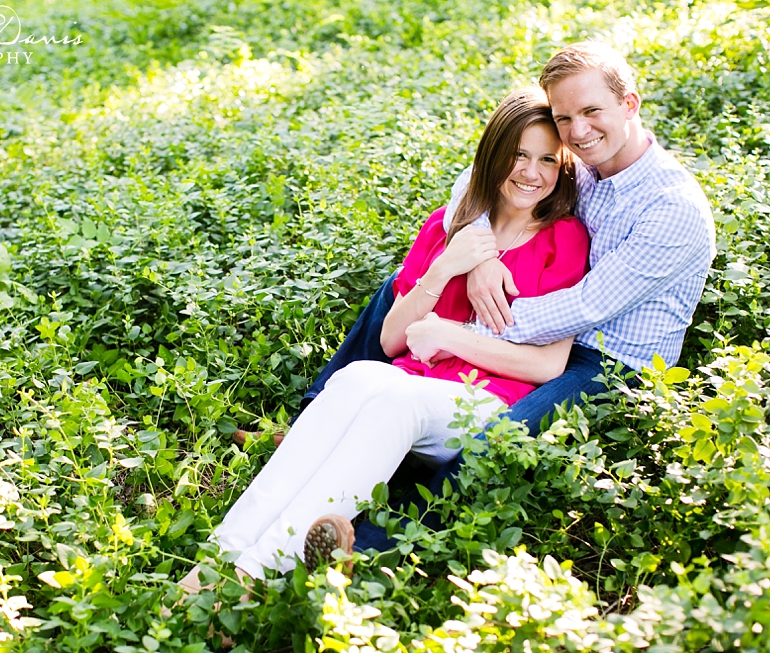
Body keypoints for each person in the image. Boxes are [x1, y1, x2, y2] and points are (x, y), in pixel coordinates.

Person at [304, 41, 717, 552]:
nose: (579, 131)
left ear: (629, 105)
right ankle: (320, 415)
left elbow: (583, 307)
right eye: (565, 118)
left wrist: (466, 328)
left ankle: (367, 550)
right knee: (404, 287)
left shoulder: (672, 208)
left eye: (592, 112)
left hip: (606, 361)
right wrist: (480, 260)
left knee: (497, 439)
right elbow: (472, 183)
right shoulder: (580, 163)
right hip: (534, 315)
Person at [181, 86, 589, 588]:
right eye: (518, 155)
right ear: (492, 155)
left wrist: (446, 333)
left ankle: (252, 575)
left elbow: (548, 366)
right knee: (356, 377)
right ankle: (217, 560)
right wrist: (443, 269)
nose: (532, 172)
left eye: (549, 159)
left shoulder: (563, 238)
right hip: (408, 386)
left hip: (483, 404)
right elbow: (395, 340)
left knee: (396, 397)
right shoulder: (447, 226)